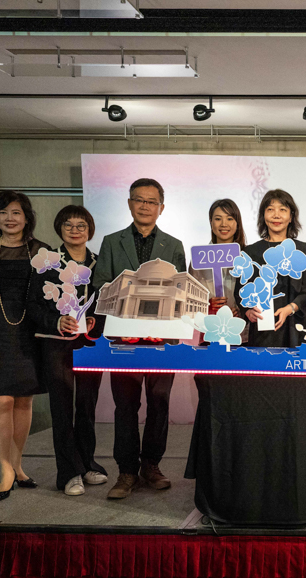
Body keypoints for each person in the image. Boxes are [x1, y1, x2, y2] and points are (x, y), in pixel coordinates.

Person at [92, 178, 186, 500]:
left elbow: (180, 290)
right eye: (139, 200)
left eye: (151, 201)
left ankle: (151, 466)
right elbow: (101, 285)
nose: (145, 206)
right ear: (130, 203)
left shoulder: (174, 245)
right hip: (123, 338)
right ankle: (127, 471)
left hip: (163, 339)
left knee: (159, 402)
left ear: (162, 207)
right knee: (125, 406)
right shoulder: (111, 242)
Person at [0, 191, 51, 502]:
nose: (9, 218)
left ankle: (17, 465)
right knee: (1, 401)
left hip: (31, 331)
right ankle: (4, 470)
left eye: (16, 212)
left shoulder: (41, 250)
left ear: (27, 217)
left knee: (24, 402)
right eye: (3, 212)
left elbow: (51, 293)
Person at [29, 205, 108, 497]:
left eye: (81, 225)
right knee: (61, 409)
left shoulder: (100, 263)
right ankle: (68, 472)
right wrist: (56, 320)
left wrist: (95, 321)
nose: (75, 230)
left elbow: (108, 303)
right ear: (59, 228)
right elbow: (32, 305)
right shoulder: (46, 261)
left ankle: (87, 464)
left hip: (89, 343)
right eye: (68, 225)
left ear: (90, 230)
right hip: (56, 343)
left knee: (87, 406)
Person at [241, 189, 306, 347]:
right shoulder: (250, 252)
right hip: (262, 329)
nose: (276, 215)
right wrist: (247, 311)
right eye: (270, 210)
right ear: (263, 216)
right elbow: (240, 290)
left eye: (283, 210)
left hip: (295, 326)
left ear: (291, 216)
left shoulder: (304, 249)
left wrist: (290, 308)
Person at [189, 198, 248, 318]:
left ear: (237, 223)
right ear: (211, 222)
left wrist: (241, 311)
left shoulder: (247, 257)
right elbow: (189, 295)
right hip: (208, 324)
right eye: (218, 219)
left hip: (240, 325)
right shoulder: (199, 257)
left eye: (230, 219)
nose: (224, 224)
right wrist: (206, 305)